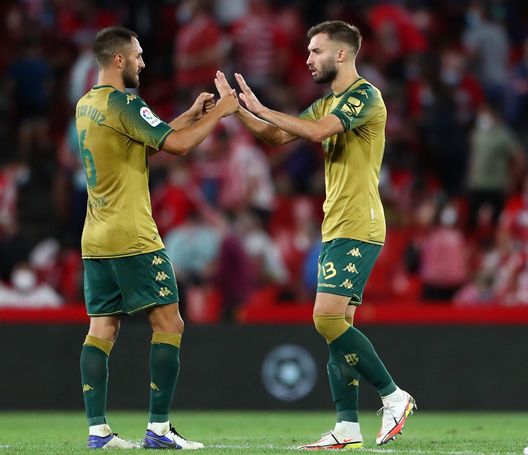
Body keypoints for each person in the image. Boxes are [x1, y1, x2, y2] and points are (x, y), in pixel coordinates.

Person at [215, 20, 415, 449]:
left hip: (360, 223)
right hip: (337, 224)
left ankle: (394, 396)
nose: (307, 60)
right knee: (337, 328)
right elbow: (275, 136)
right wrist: (240, 111)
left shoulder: (365, 96)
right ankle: (346, 427)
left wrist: (264, 108)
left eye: (315, 51)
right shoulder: (328, 102)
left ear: (341, 54)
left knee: (325, 318)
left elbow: (320, 131)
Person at [75, 26, 238, 449]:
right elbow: (178, 147)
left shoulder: (87, 105)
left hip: (95, 239)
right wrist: (222, 111)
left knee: (102, 330)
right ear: (118, 60)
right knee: (169, 323)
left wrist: (189, 114)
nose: (143, 63)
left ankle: (98, 432)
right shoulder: (125, 102)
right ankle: (159, 430)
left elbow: (144, 144)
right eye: (138, 56)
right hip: (134, 237)